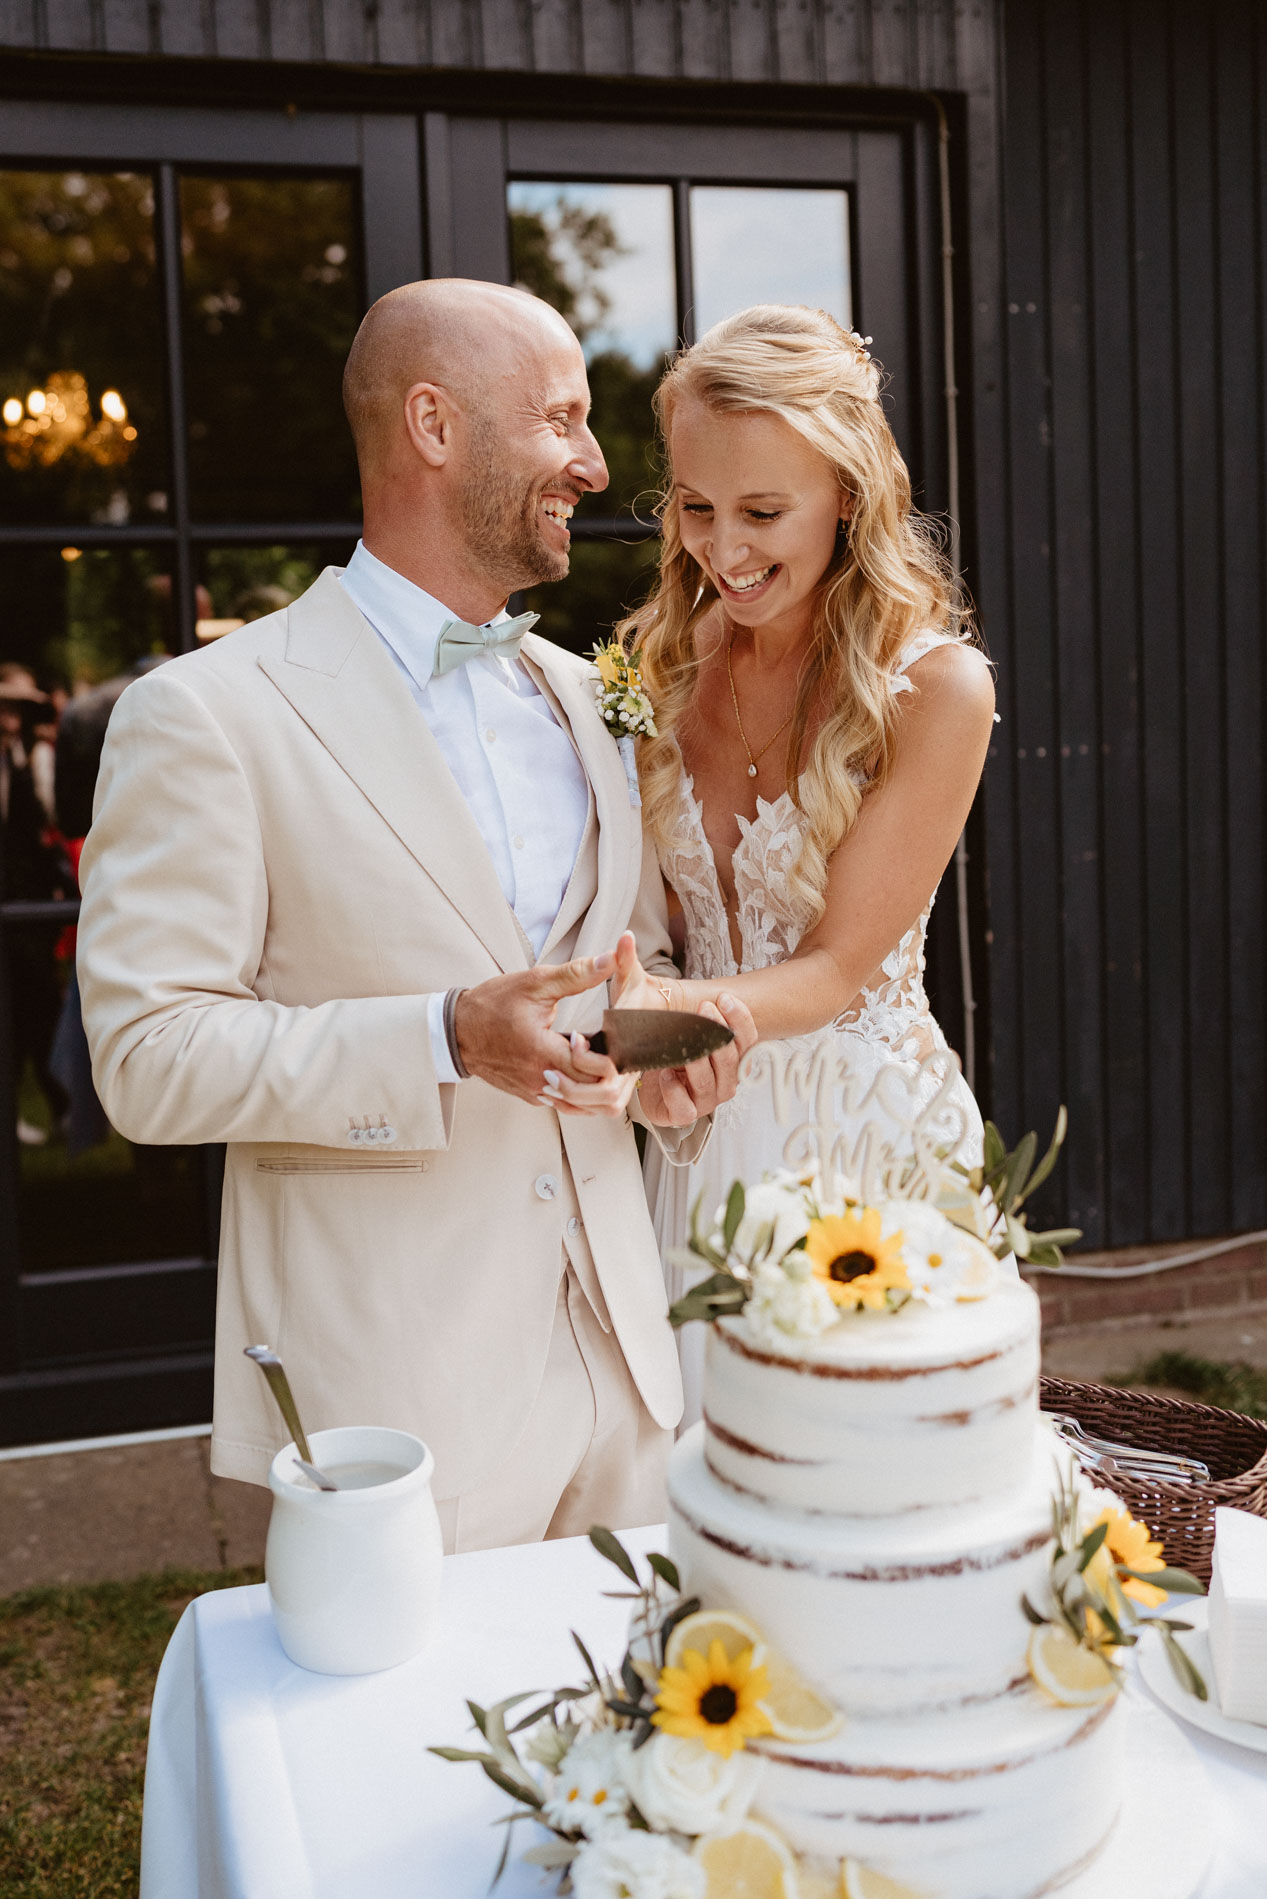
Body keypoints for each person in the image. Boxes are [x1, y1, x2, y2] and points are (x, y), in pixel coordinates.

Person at [76, 279, 753, 1551]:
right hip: (393, 1397)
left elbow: (613, 966)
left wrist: (654, 1049)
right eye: (560, 419)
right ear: (434, 425)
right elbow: (146, 1061)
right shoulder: (210, 714)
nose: (596, 464)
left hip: (627, 1373)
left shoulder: (583, 691)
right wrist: (441, 1035)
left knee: (643, 1734)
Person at [610, 306, 998, 1428]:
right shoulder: (658, 668)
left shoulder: (934, 689)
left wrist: (652, 1012)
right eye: (694, 507)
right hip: (692, 1129)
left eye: (762, 513)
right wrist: (622, 1036)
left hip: (861, 1148)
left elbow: (833, 970)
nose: (722, 552)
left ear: (849, 494)